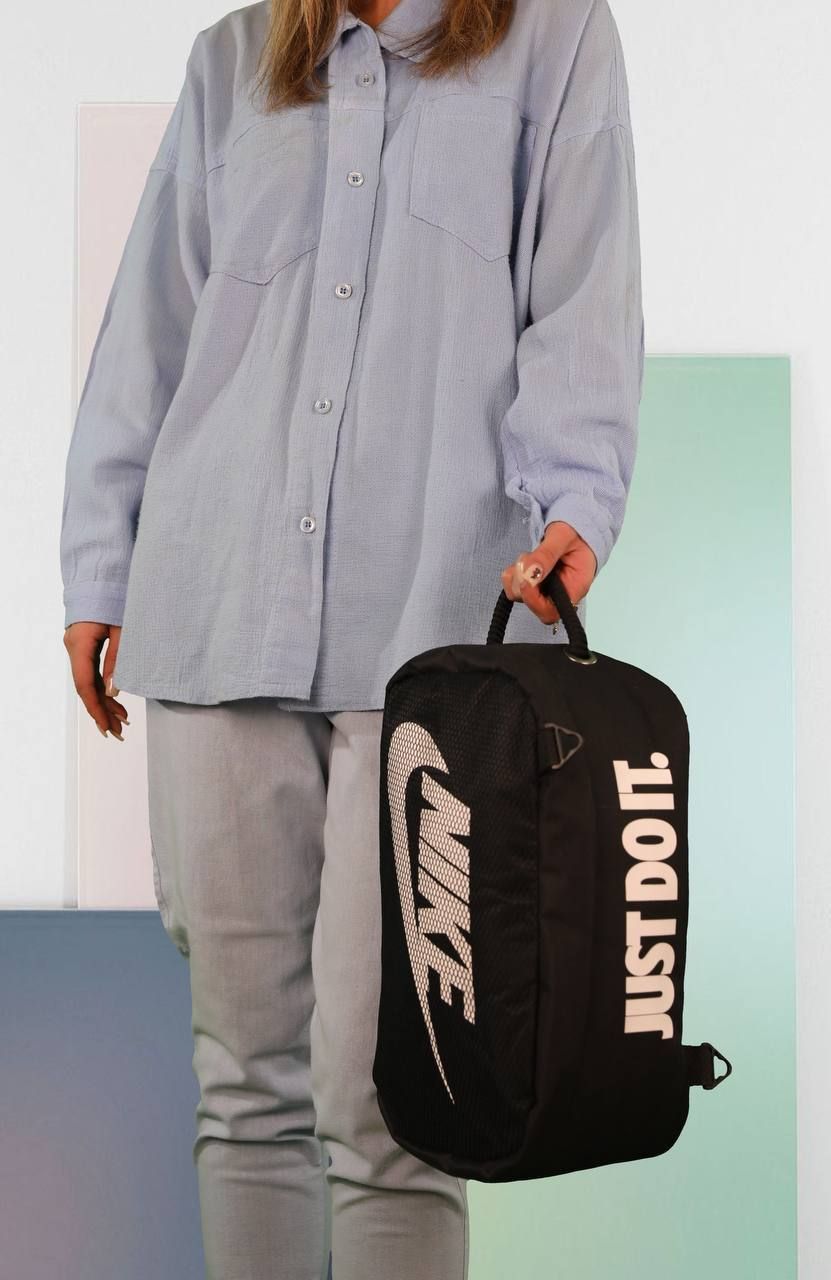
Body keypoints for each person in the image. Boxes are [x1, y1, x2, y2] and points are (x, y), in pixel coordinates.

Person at [60, 0, 644, 1275]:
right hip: (216, 603)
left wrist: (575, 503)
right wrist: (99, 561)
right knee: (243, 1084)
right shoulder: (233, 61)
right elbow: (151, 329)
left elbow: (583, 297)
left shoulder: (554, 38)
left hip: (439, 636)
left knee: (402, 1098)